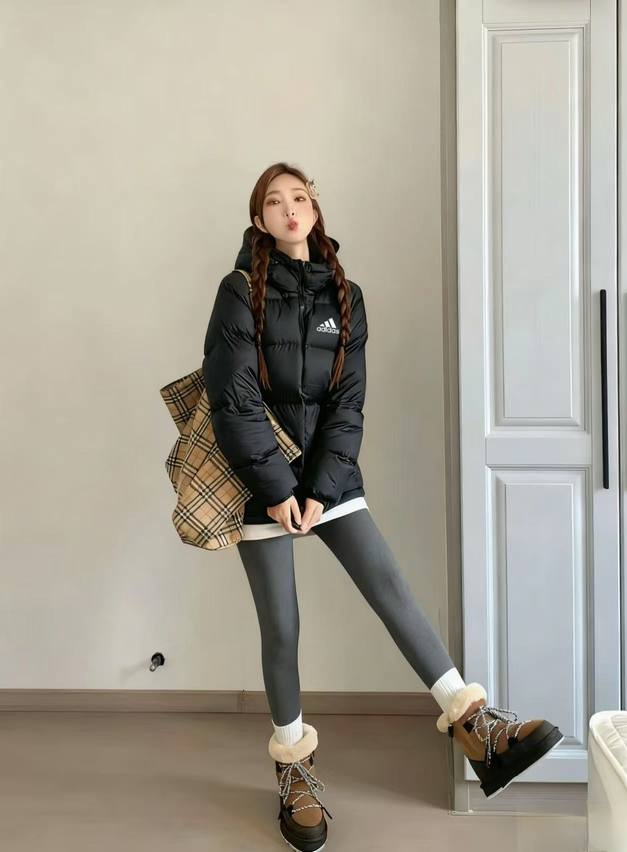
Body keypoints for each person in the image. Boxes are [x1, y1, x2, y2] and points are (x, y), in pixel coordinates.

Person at [202, 163, 563, 852]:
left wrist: (320, 488)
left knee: (389, 587)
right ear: (259, 220)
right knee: (282, 625)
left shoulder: (347, 294)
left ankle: (475, 727)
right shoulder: (238, 290)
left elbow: (348, 401)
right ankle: (294, 769)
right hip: (260, 481)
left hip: (326, 477)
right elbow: (232, 394)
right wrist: (277, 490)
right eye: (274, 202)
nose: (289, 210)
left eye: (299, 198)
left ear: (315, 210)